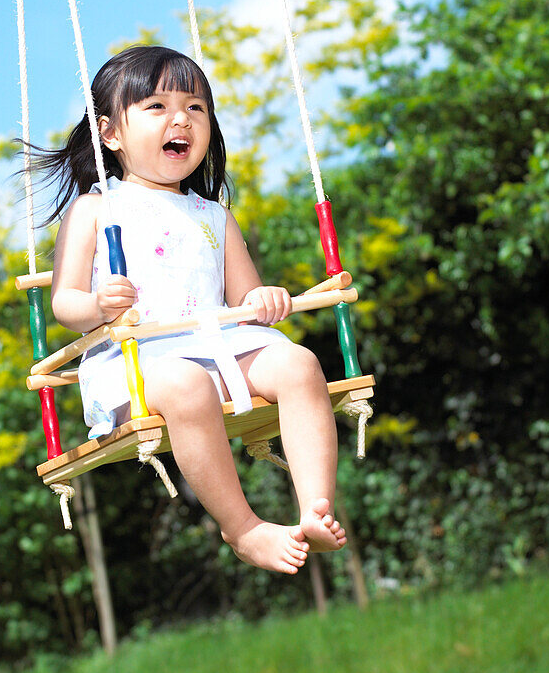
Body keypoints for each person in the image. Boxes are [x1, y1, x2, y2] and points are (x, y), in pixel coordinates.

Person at [33, 45, 345, 575]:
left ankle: (315, 507)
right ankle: (243, 527)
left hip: (218, 348)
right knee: (184, 383)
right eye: (156, 107)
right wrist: (99, 304)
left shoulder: (214, 216)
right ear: (109, 133)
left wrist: (262, 300)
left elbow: (247, 302)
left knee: (299, 363)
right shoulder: (95, 208)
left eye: (195, 107)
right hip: (137, 368)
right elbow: (64, 302)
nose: (181, 118)